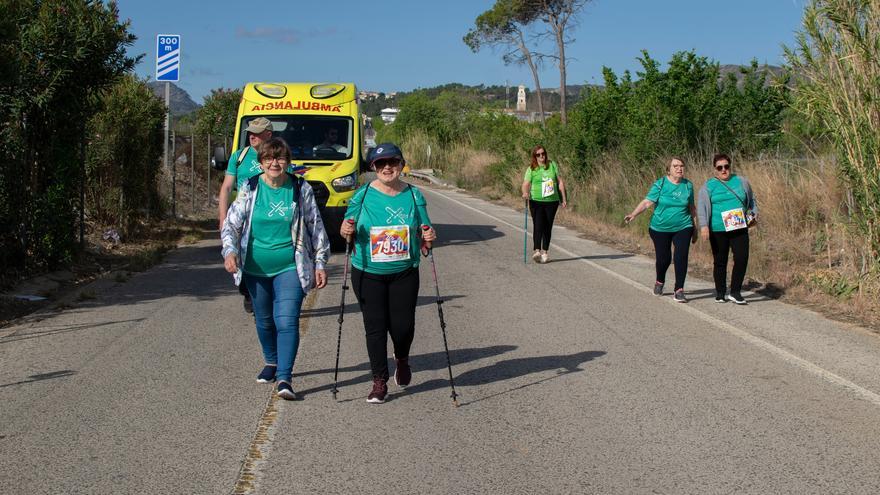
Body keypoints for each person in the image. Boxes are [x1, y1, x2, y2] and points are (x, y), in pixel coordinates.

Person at [221, 138, 330, 400]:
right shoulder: (250, 187)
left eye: (280, 158)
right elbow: (232, 224)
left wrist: (320, 262)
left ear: (288, 162)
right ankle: (271, 361)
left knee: (286, 319)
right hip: (255, 267)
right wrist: (230, 251)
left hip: (290, 266)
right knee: (264, 320)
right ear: (260, 163)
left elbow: (316, 226)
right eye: (268, 158)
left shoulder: (299, 188)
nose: (274, 163)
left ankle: (284, 378)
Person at [339, 143, 436, 404]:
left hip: (404, 271)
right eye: (381, 163)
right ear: (373, 167)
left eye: (392, 162)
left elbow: (426, 230)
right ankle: (379, 381)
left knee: (403, 327)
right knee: (375, 328)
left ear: (401, 164)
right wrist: (346, 231)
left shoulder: (414, 196)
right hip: (367, 271)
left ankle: (402, 358)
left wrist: (428, 236)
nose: (387, 168)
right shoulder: (361, 196)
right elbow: (344, 229)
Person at [218, 117, 274, 314]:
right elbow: (226, 188)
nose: (252, 136)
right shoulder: (239, 156)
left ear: (268, 134)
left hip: (268, 218)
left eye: (257, 133)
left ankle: (266, 296)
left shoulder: (277, 158)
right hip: (242, 217)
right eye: (250, 132)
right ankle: (248, 293)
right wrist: (223, 219)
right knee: (241, 258)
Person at [624, 157, 697, 302]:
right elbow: (646, 203)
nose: (679, 168)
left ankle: (679, 289)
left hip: (683, 226)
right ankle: (660, 280)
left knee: (681, 256)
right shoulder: (661, 184)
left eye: (682, 166)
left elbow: (691, 208)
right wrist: (633, 214)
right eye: (675, 166)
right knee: (664, 259)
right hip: (660, 228)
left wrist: (695, 227)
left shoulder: (688, 185)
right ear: (668, 169)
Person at [697, 153, 758, 305]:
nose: (724, 170)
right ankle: (720, 292)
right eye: (720, 167)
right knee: (720, 261)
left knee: (742, 258)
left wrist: (754, 215)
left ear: (730, 166)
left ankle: (735, 292)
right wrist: (704, 226)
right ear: (715, 169)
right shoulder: (708, 186)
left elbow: (752, 200)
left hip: (739, 227)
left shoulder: (741, 181)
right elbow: (702, 207)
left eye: (726, 166)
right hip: (718, 228)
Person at [521, 145, 567, 263]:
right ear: (535, 157)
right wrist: (525, 193)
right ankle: (537, 251)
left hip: (552, 201)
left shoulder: (552, 165)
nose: (541, 156)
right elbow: (526, 183)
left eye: (543, 153)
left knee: (548, 226)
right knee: (538, 224)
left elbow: (560, 181)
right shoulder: (531, 168)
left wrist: (564, 198)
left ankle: (545, 252)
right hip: (536, 200)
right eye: (538, 154)